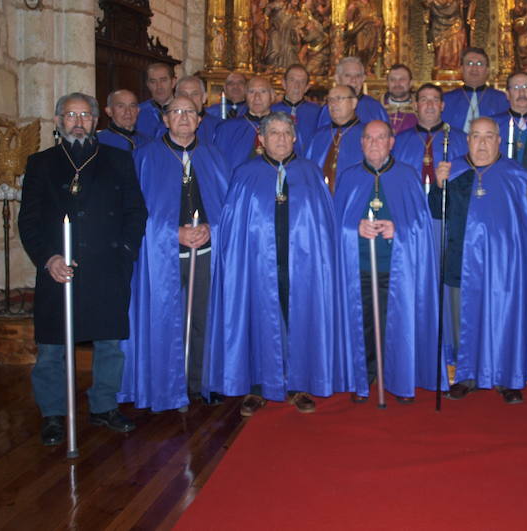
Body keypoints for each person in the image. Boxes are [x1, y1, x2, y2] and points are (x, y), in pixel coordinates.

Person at [19, 92, 147, 445]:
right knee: (52, 346)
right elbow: (28, 221)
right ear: (58, 121)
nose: (79, 122)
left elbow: (135, 212)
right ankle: (53, 413)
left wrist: (125, 252)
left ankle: (104, 406)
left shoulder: (118, 159)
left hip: (106, 267)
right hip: (57, 269)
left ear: (95, 121)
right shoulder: (41, 163)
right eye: (71, 115)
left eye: (85, 115)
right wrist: (48, 259)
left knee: (109, 344)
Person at [205, 113, 346, 416]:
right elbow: (233, 226)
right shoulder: (246, 174)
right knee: (258, 319)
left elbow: (324, 226)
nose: (281, 139)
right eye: (274, 133)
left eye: (286, 133)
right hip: (257, 263)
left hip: (304, 265)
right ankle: (258, 388)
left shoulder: (310, 173)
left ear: (294, 138)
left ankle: (299, 385)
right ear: (262, 138)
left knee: (300, 318)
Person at [119, 96, 231, 412]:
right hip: (159, 256)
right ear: (165, 119)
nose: (183, 117)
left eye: (190, 112)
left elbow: (227, 207)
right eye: (176, 112)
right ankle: (168, 386)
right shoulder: (145, 157)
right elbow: (133, 212)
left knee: (204, 318)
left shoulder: (213, 156)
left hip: (206, 252)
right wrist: (173, 233)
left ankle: (201, 383)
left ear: (200, 120)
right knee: (167, 319)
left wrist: (212, 227)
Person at [333, 120, 445, 402]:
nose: (374, 143)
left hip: (396, 269)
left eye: (380, 138)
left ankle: (399, 379)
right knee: (363, 326)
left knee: (395, 325)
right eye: (368, 138)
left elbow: (420, 225)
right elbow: (333, 223)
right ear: (361, 143)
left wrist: (399, 229)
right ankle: (364, 377)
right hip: (358, 267)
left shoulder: (407, 176)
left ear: (391, 143)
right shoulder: (349, 177)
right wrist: (354, 227)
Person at [429, 117, 527, 404]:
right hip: (460, 261)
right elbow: (436, 213)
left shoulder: (515, 174)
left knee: (504, 318)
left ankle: (506, 377)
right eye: (476, 136)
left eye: (489, 136)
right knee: (462, 320)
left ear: (499, 140)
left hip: (504, 267)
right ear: (468, 140)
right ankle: (466, 376)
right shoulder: (453, 171)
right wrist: (439, 185)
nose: (483, 143)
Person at [393, 82, 467, 190]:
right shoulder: (399, 141)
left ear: (442, 106)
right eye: (424, 100)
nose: (430, 105)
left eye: (435, 100)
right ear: (415, 106)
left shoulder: (461, 139)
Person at [305, 85, 365, 193]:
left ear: (354, 103)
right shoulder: (318, 136)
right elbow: (307, 171)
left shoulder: (367, 135)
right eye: (330, 100)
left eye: (339, 98)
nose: (333, 104)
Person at [213, 76, 276, 168]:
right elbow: (218, 166)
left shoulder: (283, 127)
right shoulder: (227, 128)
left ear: (272, 95)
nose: (257, 97)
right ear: (245, 95)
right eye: (251, 92)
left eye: (263, 91)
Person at [441, 48, 509, 132]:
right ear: (461, 69)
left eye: (480, 64)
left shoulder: (502, 99)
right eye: (469, 63)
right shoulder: (446, 99)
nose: (474, 68)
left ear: (487, 70)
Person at [315, 57, 387, 128]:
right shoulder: (330, 108)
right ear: (337, 79)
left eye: (358, 76)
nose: (353, 80)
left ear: (363, 79)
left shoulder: (375, 108)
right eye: (347, 75)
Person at [271, 63, 321, 155]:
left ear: (307, 87)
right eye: (292, 80)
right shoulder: (271, 111)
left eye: (302, 82)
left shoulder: (318, 113)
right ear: (284, 84)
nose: (296, 86)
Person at [343, 0, 382, 70]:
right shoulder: (355, 4)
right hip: (360, 29)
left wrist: (378, 21)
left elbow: (377, 15)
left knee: (371, 48)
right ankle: (360, 68)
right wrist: (350, 10)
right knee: (361, 49)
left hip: (372, 29)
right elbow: (349, 19)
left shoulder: (372, 3)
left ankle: (368, 68)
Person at [175, 75, 222, 144]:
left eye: (195, 94)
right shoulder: (166, 126)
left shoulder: (219, 127)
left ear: (204, 98)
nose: (189, 98)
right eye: (183, 94)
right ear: (176, 97)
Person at [136, 62, 176, 138]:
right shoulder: (137, 112)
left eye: (163, 80)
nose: (159, 87)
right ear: (148, 85)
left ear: (173, 82)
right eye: (153, 82)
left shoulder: (185, 112)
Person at [382, 64, 418, 135]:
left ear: (411, 83)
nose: (397, 84)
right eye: (392, 80)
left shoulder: (420, 108)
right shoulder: (376, 108)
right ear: (387, 83)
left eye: (402, 79)